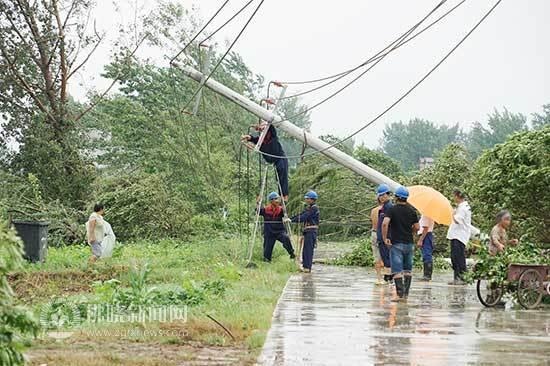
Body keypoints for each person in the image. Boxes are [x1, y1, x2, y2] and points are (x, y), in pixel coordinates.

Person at [382, 186, 419, 302]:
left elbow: (384, 223)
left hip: (396, 243)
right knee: (408, 270)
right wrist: (411, 233)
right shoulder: (412, 211)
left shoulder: (392, 210)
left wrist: (385, 238)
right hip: (409, 243)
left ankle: (400, 295)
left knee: (397, 270)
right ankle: (406, 294)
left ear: (396, 197)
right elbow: (417, 227)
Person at [242, 122, 289, 201]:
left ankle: (284, 196)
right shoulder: (261, 142)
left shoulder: (272, 137)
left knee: (282, 175)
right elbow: (253, 139)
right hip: (275, 161)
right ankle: (282, 195)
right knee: (279, 179)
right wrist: (248, 137)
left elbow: (270, 126)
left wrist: (260, 127)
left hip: (280, 158)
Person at [287, 191, 320, 273]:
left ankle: (307, 267)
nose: (306, 200)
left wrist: (291, 220)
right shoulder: (309, 208)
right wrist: (290, 219)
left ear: (312, 199)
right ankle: (305, 266)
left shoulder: (314, 208)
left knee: (308, 250)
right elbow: (300, 215)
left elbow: (304, 217)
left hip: (311, 231)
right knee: (305, 249)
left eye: (307, 198)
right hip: (307, 231)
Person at [258, 191, 296, 262]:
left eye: (278, 199)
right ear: (271, 201)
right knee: (267, 253)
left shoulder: (281, 209)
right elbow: (257, 211)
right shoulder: (265, 210)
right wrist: (258, 202)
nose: (277, 201)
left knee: (286, 238)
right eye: (275, 199)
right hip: (269, 233)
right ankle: (267, 262)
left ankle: (292, 253)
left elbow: (285, 214)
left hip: (279, 231)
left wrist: (286, 215)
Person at [446, 189, 472, 285]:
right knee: (455, 256)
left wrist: (452, 213)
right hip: (457, 235)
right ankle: (457, 277)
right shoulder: (462, 207)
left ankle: (461, 277)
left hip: (459, 235)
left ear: (457, 196)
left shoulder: (463, 208)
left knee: (458, 257)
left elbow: (458, 220)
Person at [376, 184, 393, 284]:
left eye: (383, 195)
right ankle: (388, 277)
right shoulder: (383, 208)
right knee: (385, 258)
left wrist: (385, 237)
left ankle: (389, 278)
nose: (381, 197)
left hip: (385, 238)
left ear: (388, 194)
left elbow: (386, 224)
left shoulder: (389, 207)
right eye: (380, 195)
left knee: (387, 259)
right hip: (381, 239)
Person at [417, 215, 435, 282]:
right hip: (427, 235)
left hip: (426, 235)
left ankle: (427, 275)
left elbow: (426, 228)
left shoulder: (426, 215)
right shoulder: (426, 214)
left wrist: (421, 240)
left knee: (427, 255)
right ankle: (426, 275)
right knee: (426, 254)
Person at [370, 197, 384, 285]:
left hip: (374, 233)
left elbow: (372, 221)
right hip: (383, 234)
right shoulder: (387, 210)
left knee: (376, 257)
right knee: (386, 256)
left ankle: (379, 278)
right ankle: (387, 277)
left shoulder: (373, 211)